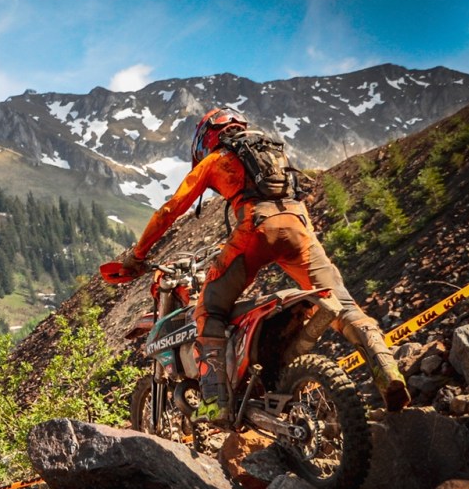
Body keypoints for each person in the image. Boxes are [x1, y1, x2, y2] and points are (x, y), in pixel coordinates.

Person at [121, 107, 410, 424]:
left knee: (209, 309)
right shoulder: (273, 152)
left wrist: (137, 255)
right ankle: (387, 371)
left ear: (207, 139)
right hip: (300, 229)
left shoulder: (216, 159)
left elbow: (170, 210)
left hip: (256, 230)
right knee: (341, 301)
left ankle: (215, 403)